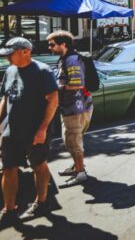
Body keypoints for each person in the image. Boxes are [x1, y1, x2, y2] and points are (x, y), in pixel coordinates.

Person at [0, 38, 59, 226]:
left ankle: (42, 202)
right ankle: (9, 209)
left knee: (38, 165)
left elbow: (53, 100)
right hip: (12, 129)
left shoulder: (42, 71)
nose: (8, 57)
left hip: (35, 130)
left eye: (11, 53)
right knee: (8, 168)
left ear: (26, 51)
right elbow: (6, 98)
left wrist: (42, 129)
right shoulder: (10, 71)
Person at [47, 31, 93, 187]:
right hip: (76, 106)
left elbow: (78, 84)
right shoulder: (65, 59)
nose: (49, 47)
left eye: (52, 44)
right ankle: (77, 167)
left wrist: (56, 87)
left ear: (63, 44)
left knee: (72, 141)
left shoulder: (72, 60)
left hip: (75, 108)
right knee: (74, 140)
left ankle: (80, 173)